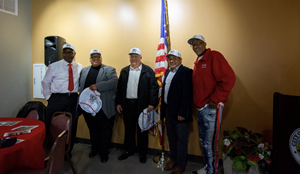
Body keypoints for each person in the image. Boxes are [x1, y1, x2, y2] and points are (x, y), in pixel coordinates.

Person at [188, 35, 236, 174]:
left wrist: (215, 99)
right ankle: (208, 167)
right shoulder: (198, 61)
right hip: (200, 108)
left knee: (211, 143)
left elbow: (229, 78)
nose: (196, 46)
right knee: (204, 141)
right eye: (193, 45)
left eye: (198, 43)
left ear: (205, 44)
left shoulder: (214, 56)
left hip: (211, 109)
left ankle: (212, 170)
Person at [116, 47, 159, 163]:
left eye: (136, 56)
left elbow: (154, 88)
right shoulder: (124, 71)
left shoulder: (148, 71)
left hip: (142, 106)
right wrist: (119, 102)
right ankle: (128, 150)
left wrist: (151, 103)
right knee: (129, 130)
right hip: (127, 105)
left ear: (140, 58)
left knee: (142, 131)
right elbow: (119, 88)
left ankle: (142, 153)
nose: (133, 58)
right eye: (131, 56)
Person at [78, 49, 118, 163]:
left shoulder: (109, 69)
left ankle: (104, 153)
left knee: (105, 131)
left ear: (101, 58)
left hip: (103, 108)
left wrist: (98, 86)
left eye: (98, 56)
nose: (95, 58)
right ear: (90, 59)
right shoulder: (84, 70)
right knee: (93, 129)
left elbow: (114, 81)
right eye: (93, 56)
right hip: (88, 108)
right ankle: (94, 149)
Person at [42, 43, 82, 156]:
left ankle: (67, 150)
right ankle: (49, 149)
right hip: (56, 98)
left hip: (73, 98)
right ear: (62, 53)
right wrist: (48, 97)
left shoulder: (79, 66)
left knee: (72, 124)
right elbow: (45, 82)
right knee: (50, 123)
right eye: (65, 52)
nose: (67, 54)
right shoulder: (54, 66)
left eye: (70, 52)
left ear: (74, 54)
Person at [161, 50, 193, 174]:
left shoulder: (186, 72)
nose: (172, 61)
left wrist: (182, 113)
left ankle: (181, 165)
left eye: (174, 58)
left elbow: (187, 95)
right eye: (170, 59)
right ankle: (174, 160)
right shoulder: (168, 72)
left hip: (180, 114)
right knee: (172, 138)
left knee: (181, 140)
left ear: (180, 60)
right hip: (169, 112)